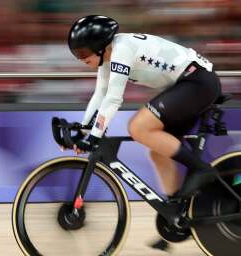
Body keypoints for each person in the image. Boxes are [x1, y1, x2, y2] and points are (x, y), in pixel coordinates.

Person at [67, 15, 222, 202]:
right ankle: (176, 210)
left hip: (197, 81)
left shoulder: (121, 50)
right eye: (76, 54)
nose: (80, 59)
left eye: (83, 53)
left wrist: (94, 136)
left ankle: (201, 170)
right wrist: (84, 129)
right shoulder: (107, 57)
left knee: (138, 127)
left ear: (99, 47)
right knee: (158, 151)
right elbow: (99, 95)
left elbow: (113, 99)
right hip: (189, 83)